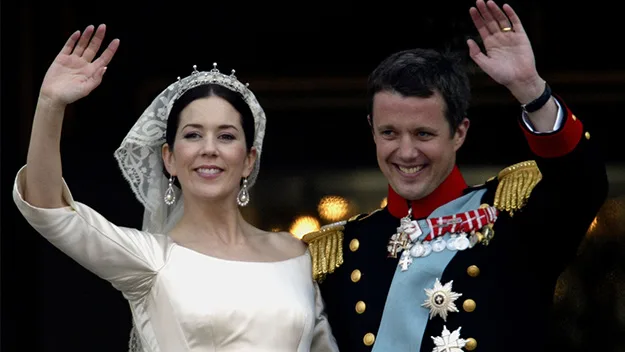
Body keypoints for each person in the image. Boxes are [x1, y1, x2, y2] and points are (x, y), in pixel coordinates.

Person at [302, 1, 608, 351]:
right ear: (372, 130)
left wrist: (531, 91)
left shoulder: (514, 219)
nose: (405, 152)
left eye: (423, 134)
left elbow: (582, 182)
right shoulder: (337, 253)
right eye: (389, 133)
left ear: (459, 132)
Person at [13, 24, 339, 351]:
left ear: (249, 159)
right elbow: (49, 209)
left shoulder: (295, 254)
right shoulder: (150, 260)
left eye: (225, 136)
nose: (209, 148)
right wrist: (50, 104)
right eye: (192, 135)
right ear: (168, 158)